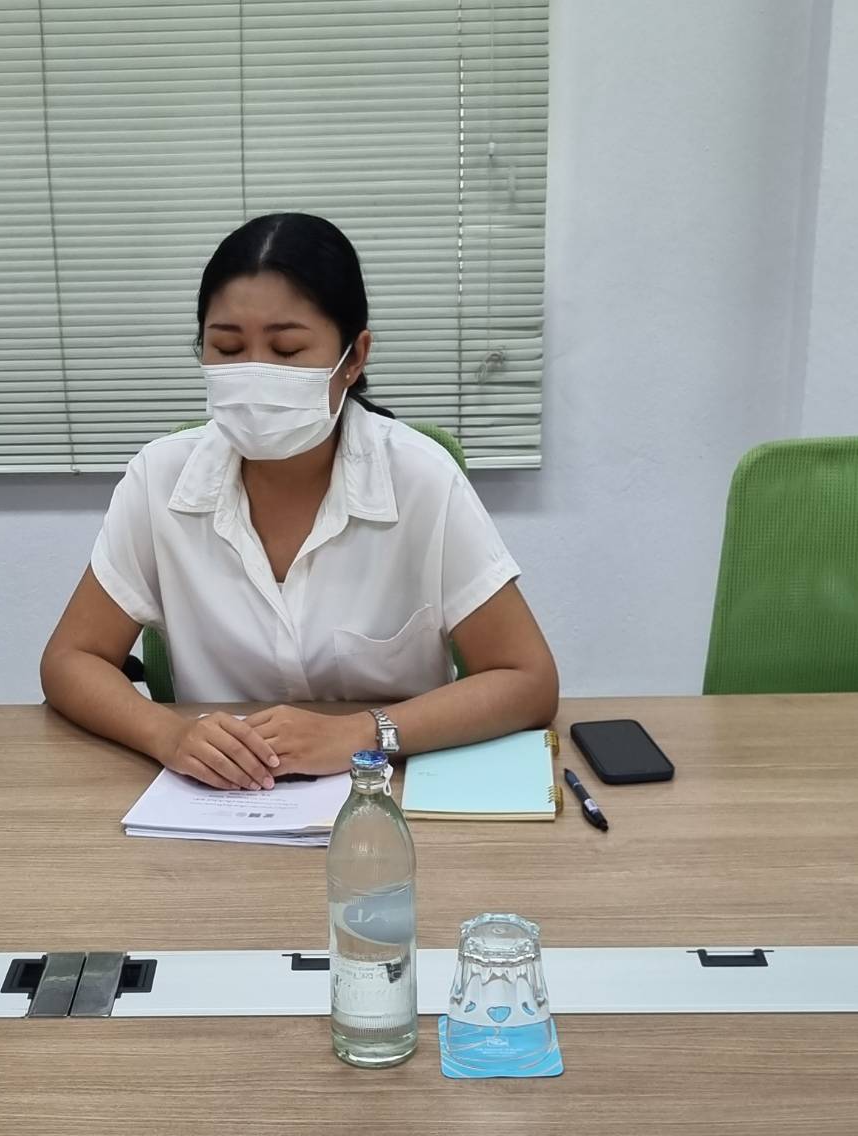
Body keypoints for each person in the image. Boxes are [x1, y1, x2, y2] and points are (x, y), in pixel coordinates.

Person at [41, 212, 557, 791]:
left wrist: (362, 733)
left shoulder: (421, 478)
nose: (254, 373)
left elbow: (528, 680)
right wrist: (168, 734)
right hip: (218, 798)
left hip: (385, 796)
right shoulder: (160, 478)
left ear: (353, 358)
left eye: (286, 350)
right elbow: (70, 659)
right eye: (227, 347)